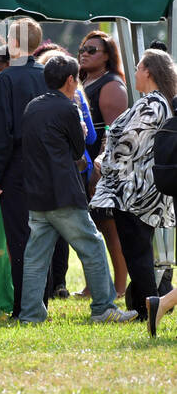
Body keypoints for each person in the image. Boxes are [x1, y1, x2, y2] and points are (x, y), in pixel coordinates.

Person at [18, 53, 136, 325]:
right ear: (71, 80)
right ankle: (104, 309)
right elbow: (76, 150)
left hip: (37, 195)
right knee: (93, 247)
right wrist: (81, 132)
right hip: (64, 194)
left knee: (36, 257)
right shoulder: (68, 108)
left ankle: (31, 315)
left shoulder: (32, 106)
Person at [89, 48, 177, 315]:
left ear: (148, 71)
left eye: (138, 68)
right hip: (137, 189)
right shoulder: (154, 101)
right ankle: (146, 305)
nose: (135, 73)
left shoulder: (153, 103)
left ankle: (150, 307)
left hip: (137, 192)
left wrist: (105, 162)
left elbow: (130, 142)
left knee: (137, 253)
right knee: (138, 252)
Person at [0, 17, 49, 319]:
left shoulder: (9, 79)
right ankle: (43, 298)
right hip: (47, 163)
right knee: (44, 233)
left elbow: (3, 132)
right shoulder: (47, 74)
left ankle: (23, 303)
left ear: (12, 43)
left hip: (17, 166)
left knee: (19, 238)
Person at [78, 30, 130, 299]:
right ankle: (92, 286)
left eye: (92, 50)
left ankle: (120, 287)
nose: (84, 54)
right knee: (92, 230)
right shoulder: (82, 81)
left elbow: (114, 131)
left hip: (103, 168)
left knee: (110, 229)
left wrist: (99, 167)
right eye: (83, 49)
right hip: (83, 165)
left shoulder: (111, 84)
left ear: (108, 56)